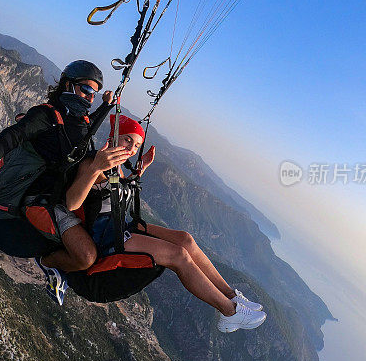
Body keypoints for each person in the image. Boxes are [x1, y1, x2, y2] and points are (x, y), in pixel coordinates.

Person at [65, 114, 267, 333]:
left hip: (119, 225)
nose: (132, 149)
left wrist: (139, 170)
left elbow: (115, 190)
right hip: (105, 236)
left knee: (185, 239)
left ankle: (231, 295)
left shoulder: (116, 165)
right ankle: (230, 312)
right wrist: (95, 168)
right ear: (114, 138)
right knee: (178, 255)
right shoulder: (94, 163)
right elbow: (72, 202)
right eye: (127, 140)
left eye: (136, 145)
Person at [0, 61, 131, 293]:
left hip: (51, 200)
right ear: (68, 84)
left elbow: (86, 129)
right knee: (87, 256)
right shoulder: (46, 115)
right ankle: (49, 264)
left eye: (93, 93)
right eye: (86, 90)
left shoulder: (78, 119)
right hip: (22, 214)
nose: (89, 97)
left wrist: (106, 107)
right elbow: (15, 134)